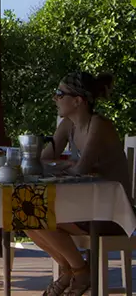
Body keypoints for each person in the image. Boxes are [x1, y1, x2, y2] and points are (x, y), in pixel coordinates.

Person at [30, 71, 128, 296]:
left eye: (59, 94)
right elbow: (43, 160)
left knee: (36, 215)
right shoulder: (68, 125)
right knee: (23, 214)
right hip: (85, 208)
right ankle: (72, 269)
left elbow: (81, 168)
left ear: (78, 101)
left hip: (111, 213)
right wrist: (67, 164)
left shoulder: (98, 125)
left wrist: (66, 164)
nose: (55, 98)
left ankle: (78, 271)